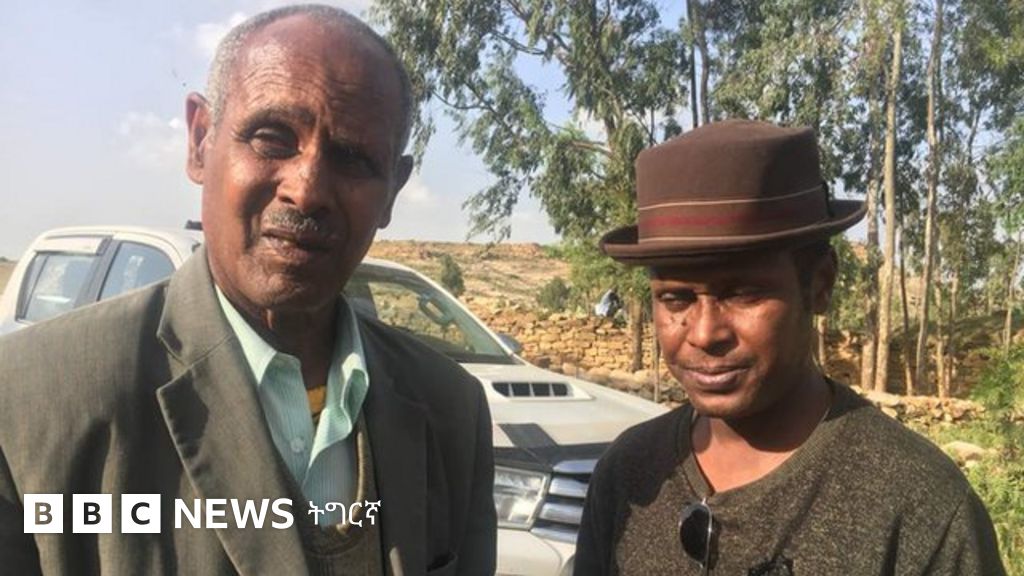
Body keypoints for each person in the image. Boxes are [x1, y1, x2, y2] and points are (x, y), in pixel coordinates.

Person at [0, 5, 496, 575]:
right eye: (272, 138)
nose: (307, 189)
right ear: (199, 141)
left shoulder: (450, 412)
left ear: (392, 191)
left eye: (354, 158)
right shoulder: (27, 401)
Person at [574, 120, 1005, 575]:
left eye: (743, 294)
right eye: (676, 299)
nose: (704, 333)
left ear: (820, 285)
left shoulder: (919, 506)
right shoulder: (629, 473)